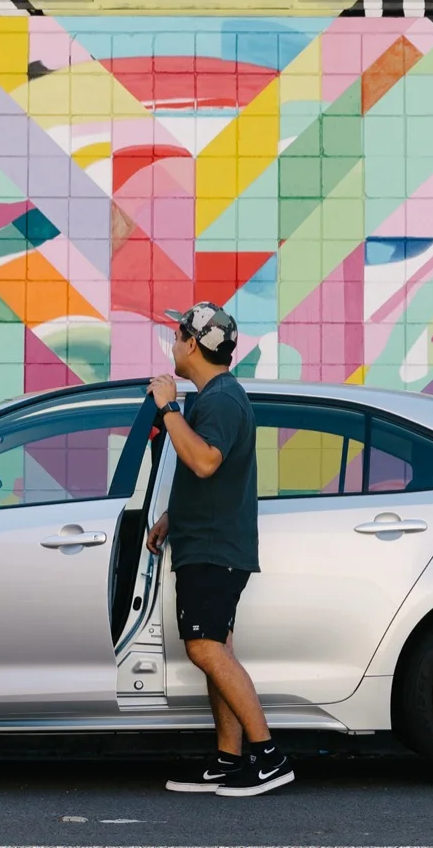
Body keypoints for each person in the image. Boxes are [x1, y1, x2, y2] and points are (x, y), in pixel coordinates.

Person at [146, 302, 294, 796]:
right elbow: (213, 473)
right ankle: (229, 759)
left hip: (214, 548)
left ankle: (269, 756)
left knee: (204, 647)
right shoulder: (215, 397)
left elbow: (206, 461)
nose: (173, 343)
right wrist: (175, 516)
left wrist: (168, 407)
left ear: (193, 344)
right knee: (217, 649)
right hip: (204, 538)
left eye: (178, 334)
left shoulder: (221, 399)